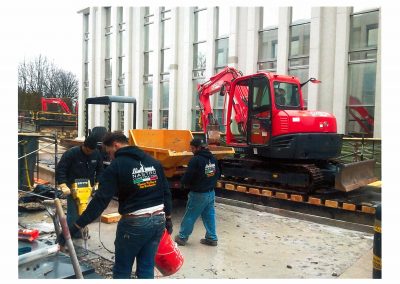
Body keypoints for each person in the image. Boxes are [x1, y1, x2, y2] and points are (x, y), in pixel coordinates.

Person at [58, 131, 173, 279]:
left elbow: (100, 202)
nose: (110, 156)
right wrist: (168, 218)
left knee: (122, 271)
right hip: (158, 221)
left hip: (134, 224)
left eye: (110, 152)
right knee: (146, 268)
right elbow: (166, 192)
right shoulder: (153, 162)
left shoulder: (116, 166)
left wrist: (75, 227)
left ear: (116, 145)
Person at [175, 138, 220, 247]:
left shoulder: (196, 160)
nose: (192, 150)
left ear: (197, 148)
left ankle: (182, 237)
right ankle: (212, 238)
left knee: (190, 215)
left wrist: (183, 183)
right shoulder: (213, 158)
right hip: (210, 192)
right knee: (209, 215)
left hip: (199, 193)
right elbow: (217, 174)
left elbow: (188, 176)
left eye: (192, 148)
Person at [56, 135, 103, 238]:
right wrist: (63, 184)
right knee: (73, 213)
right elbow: (61, 169)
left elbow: (100, 169)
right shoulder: (72, 153)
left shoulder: (96, 154)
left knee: (84, 211)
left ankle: (81, 231)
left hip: (87, 187)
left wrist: (98, 183)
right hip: (73, 187)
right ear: (83, 146)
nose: (89, 152)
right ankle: (71, 235)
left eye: (91, 151)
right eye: (87, 150)